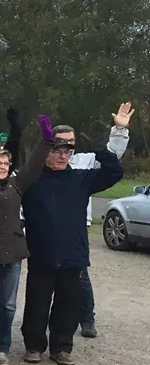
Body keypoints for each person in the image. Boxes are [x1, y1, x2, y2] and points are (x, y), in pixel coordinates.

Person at [20, 121, 124, 365]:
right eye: (56, 151)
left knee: (68, 305)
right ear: (47, 152)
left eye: (67, 152)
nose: (61, 156)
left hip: (73, 253)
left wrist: (100, 149)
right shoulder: (31, 181)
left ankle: (62, 347)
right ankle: (34, 345)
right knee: (37, 303)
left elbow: (114, 173)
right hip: (41, 253)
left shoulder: (81, 178)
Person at [0, 117, 52, 365]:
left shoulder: (16, 184)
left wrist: (46, 141)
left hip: (12, 253)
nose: (2, 166)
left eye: (5, 163)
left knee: (7, 306)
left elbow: (34, 165)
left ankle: (2, 347)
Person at [68, 103, 132, 339]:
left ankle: (87, 318)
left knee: (80, 276)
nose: (66, 147)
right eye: (61, 141)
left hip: (76, 226)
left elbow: (112, 157)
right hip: (49, 226)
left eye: (70, 141)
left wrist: (119, 130)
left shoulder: (85, 160)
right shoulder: (46, 162)